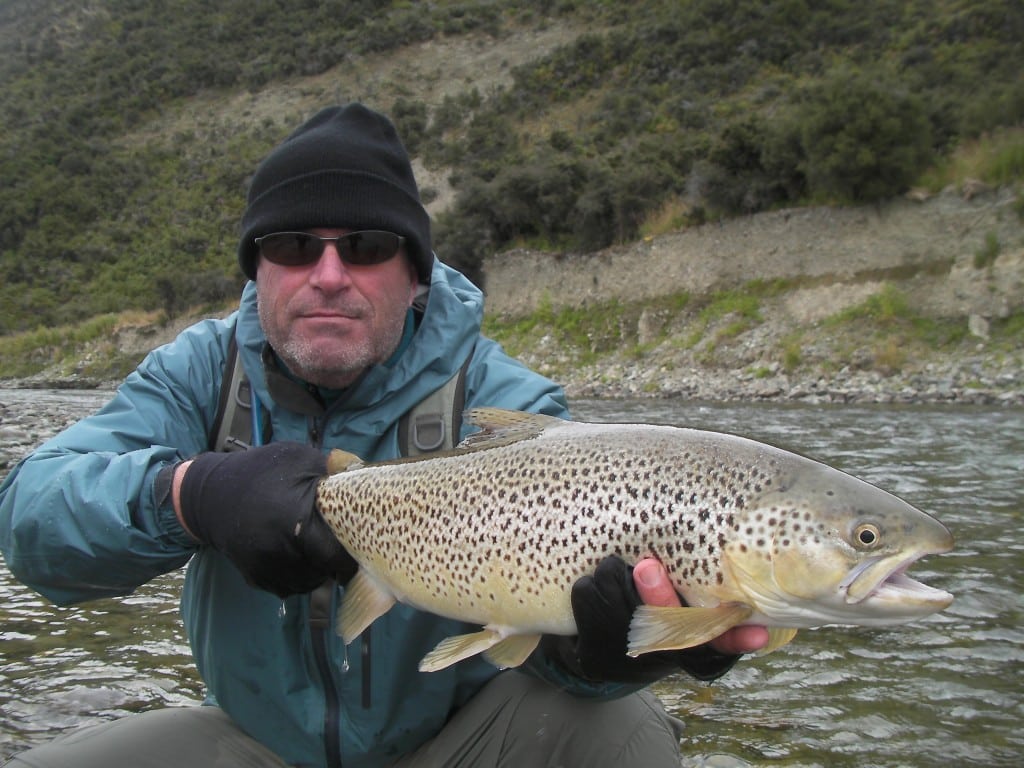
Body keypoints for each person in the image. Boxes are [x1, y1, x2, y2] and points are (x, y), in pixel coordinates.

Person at [0, 104, 767, 768]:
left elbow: (556, 657)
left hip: (460, 743)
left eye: (366, 247)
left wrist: (613, 654)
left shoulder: (505, 402)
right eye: (293, 246)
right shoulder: (199, 373)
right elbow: (31, 522)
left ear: (415, 274)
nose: (328, 274)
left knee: (619, 726)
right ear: (257, 270)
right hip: (255, 744)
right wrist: (190, 494)